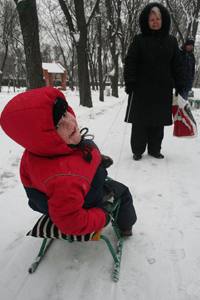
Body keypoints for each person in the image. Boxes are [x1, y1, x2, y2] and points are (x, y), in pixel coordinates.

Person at [0, 87, 137, 237]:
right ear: (44, 136)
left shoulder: (37, 151)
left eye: (65, 113)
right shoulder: (65, 181)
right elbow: (72, 222)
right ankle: (126, 227)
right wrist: (102, 217)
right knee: (122, 191)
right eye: (58, 124)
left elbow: (75, 160)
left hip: (62, 198)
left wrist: (97, 160)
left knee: (84, 142)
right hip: (88, 202)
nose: (71, 122)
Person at [124, 3, 185, 161]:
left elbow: (177, 64)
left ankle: (154, 149)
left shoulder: (171, 41)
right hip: (141, 89)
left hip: (162, 89)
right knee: (140, 122)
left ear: (163, 20)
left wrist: (180, 83)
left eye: (158, 19)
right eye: (152, 19)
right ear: (146, 21)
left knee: (158, 122)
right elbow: (131, 61)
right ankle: (138, 150)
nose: (155, 22)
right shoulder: (139, 40)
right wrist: (130, 80)